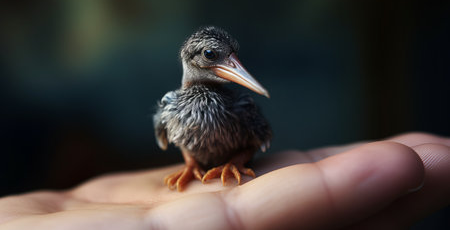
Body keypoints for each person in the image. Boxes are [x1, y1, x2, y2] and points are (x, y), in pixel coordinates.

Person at [0, 132, 448, 229]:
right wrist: (192, 165)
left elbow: (256, 134)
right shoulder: (174, 108)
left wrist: (238, 158)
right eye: (216, 60)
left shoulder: (236, 107)